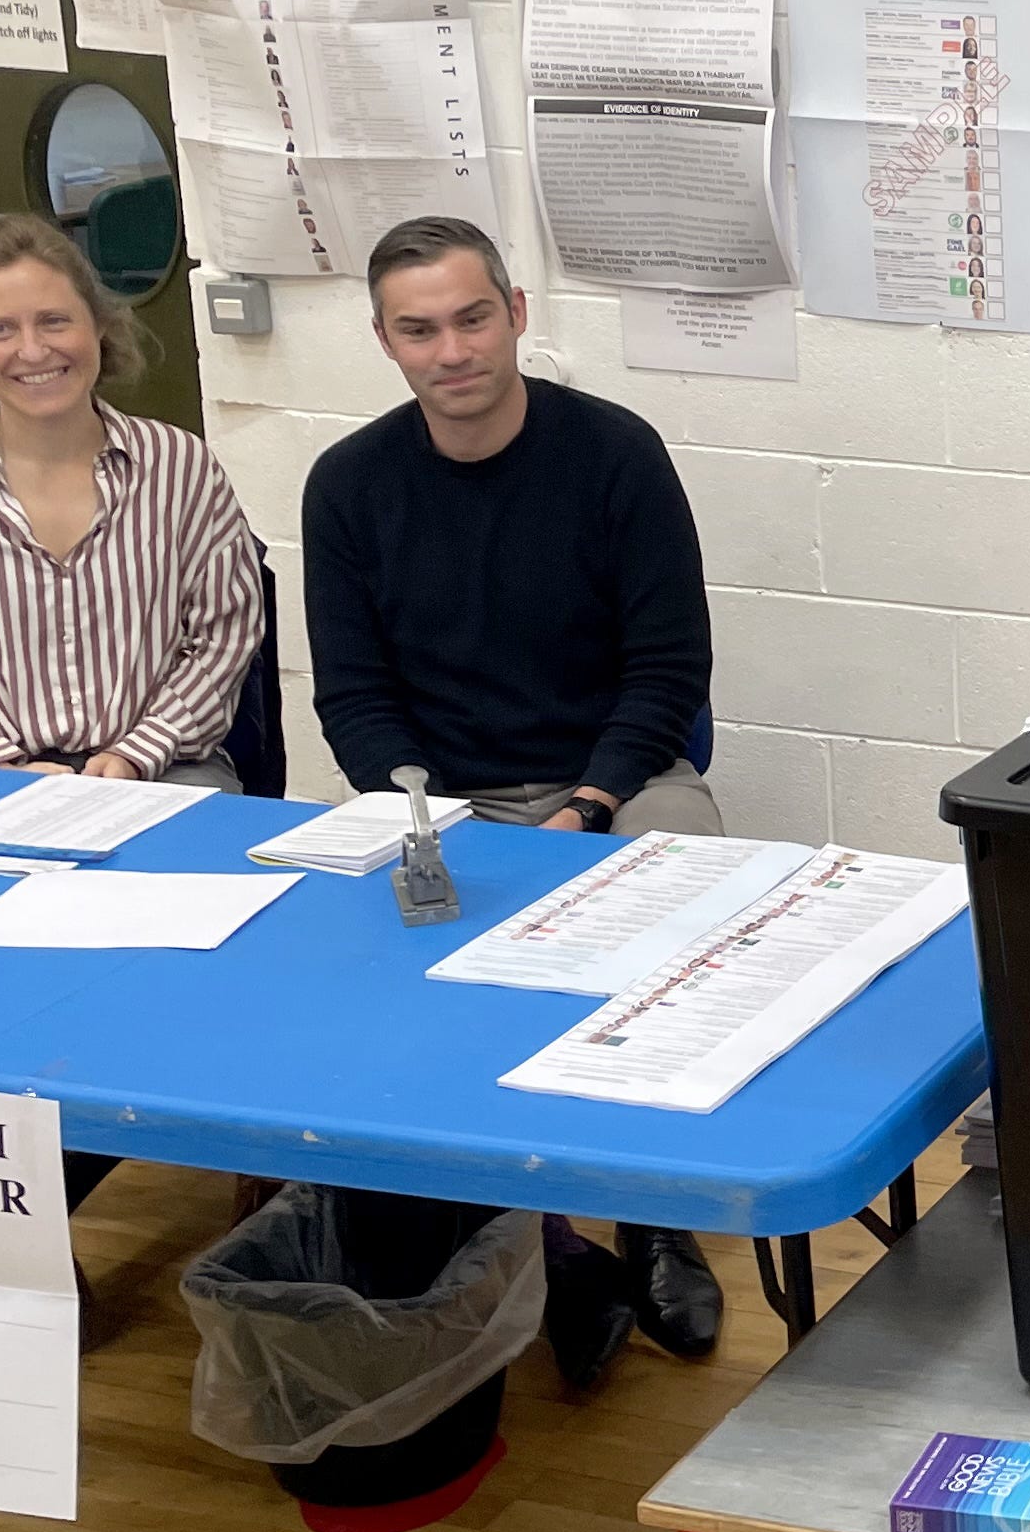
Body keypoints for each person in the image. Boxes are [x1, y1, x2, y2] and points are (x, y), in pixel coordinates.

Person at [301, 213, 727, 1378]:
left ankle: (650, 1218)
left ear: (517, 314)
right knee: (376, 947)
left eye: (473, 318)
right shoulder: (349, 485)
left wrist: (586, 808)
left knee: (676, 895)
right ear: (387, 342)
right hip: (438, 798)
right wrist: (428, 814)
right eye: (420, 329)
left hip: (613, 781)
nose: (454, 351)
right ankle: (519, 1238)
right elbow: (353, 700)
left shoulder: (615, 455)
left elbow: (666, 670)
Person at [0, 212, 263, 790]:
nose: (33, 350)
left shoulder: (181, 467)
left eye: (55, 321)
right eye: (0, 330)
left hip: (160, 773)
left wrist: (140, 751)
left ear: (100, 326)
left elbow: (224, 639)